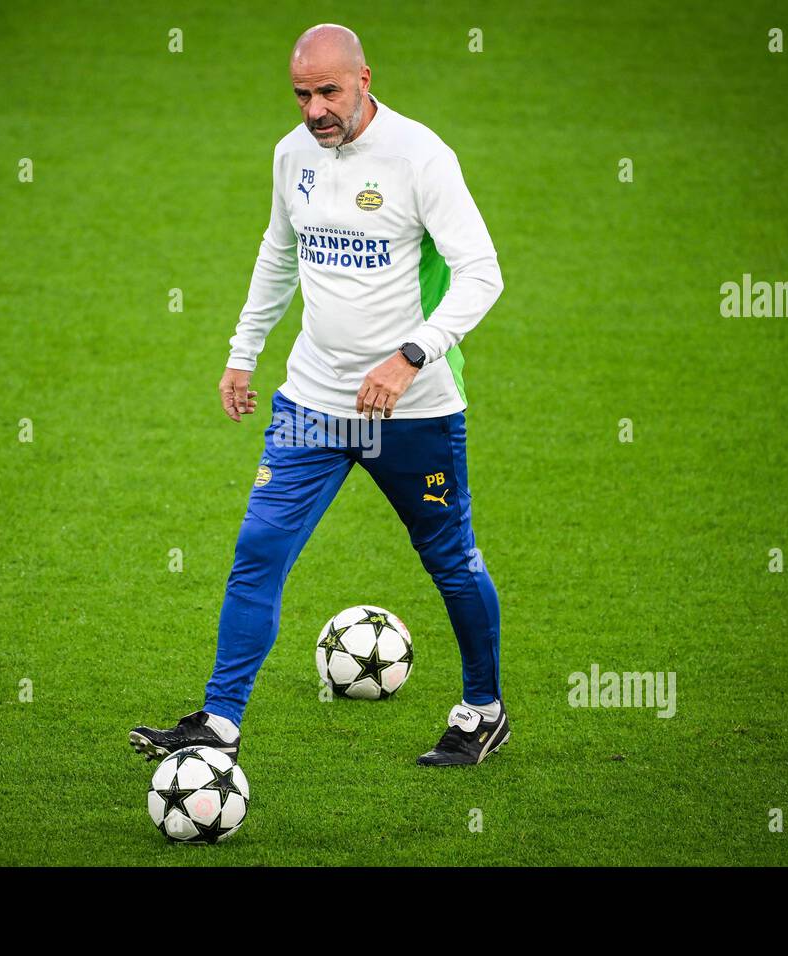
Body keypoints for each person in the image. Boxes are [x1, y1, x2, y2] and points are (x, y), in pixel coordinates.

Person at [130, 23, 506, 766]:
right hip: (311, 403)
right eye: (302, 94)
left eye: (328, 91)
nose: (314, 110)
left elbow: (483, 273)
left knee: (450, 561)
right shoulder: (292, 153)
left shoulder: (420, 156)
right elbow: (280, 252)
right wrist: (243, 354)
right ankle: (221, 720)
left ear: (365, 77)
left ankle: (482, 709)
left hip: (412, 411)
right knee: (258, 549)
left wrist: (409, 357)